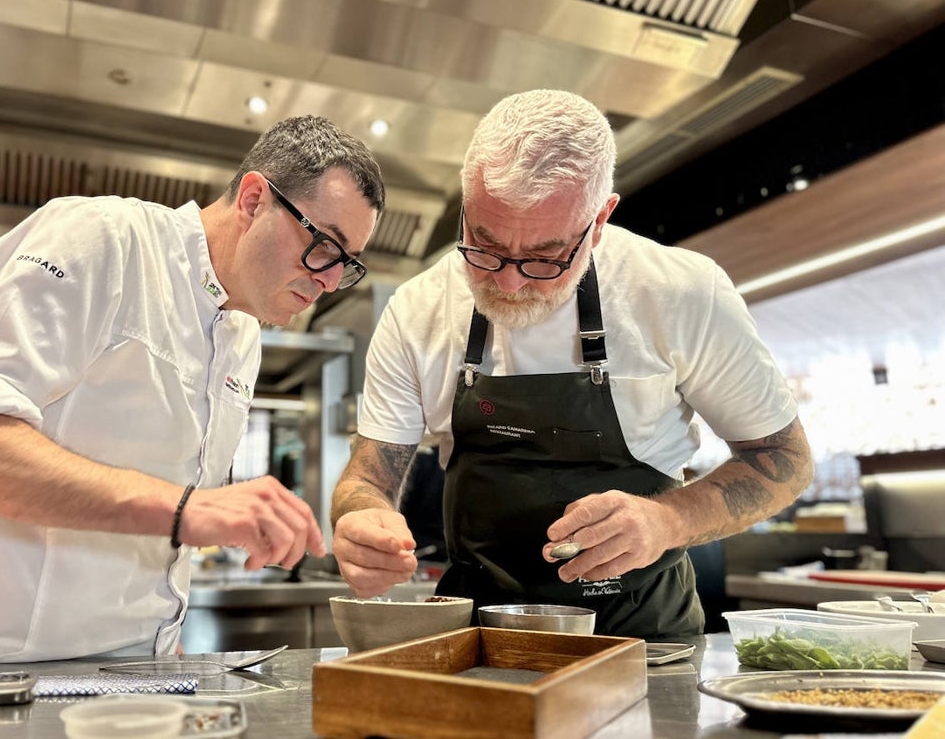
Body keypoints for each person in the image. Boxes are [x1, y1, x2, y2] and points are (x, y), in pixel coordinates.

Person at [0, 115, 384, 663]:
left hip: (125, 671)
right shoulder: (105, 238)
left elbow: (156, 515)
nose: (327, 280)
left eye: (346, 265)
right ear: (253, 200)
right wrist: (187, 510)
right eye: (324, 245)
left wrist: (162, 628)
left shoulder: (242, 332)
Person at [330, 90, 813, 640]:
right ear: (465, 205)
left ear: (601, 219)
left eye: (544, 258)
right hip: (479, 636)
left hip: (642, 639)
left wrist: (669, 520)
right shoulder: (418, 308)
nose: (508, 282)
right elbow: (369, 472)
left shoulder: (681, 293)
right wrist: (358, 519)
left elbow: (785, 458)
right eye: (483, 247)